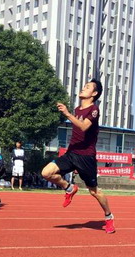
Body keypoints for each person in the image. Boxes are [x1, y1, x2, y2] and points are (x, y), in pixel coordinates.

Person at [41, 79, 115, 234]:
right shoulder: (77, 108)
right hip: (71, 153)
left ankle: (109, 217)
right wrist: (70, 113)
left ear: (94, 94)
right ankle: (69, 188)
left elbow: (83, 127)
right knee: (46, 173)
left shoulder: (94, 109)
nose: (83, 88)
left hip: (86, 157)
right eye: (84, 86)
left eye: (87, 87)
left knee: (94, 192)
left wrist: (67, 113)